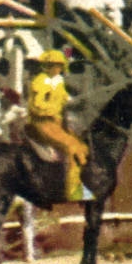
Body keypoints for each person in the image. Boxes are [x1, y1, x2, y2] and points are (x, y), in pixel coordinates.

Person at [25, 48, 89, 202]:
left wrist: (73, 100)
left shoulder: (58, 81)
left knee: (83, 147)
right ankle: (72, 192)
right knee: (71, 148)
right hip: (41, 123)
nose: (56, 68)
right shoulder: (39, 81)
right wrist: (56, 109)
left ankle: (78, 184)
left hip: (57, 122)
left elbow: (63, 97)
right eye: (53, 65)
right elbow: (36, 106)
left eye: (59, 65)